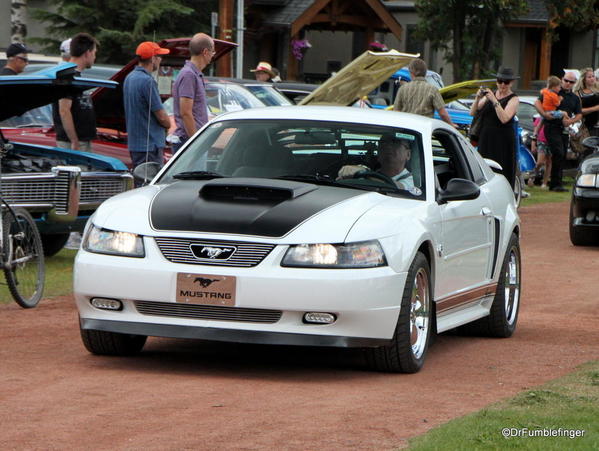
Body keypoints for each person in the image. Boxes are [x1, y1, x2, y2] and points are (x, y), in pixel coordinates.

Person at [123, 41, 171, 171]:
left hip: (135, 144)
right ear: (153, 59)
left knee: (139, 181)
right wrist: (168, 124)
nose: (160, 59)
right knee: (150, 184)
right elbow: (161, 116)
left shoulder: (129, 78)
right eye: (159, 56)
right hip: (150, 145)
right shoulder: (148, 81)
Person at [469, 66, 520, 189]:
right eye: (500, 81)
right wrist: (477, 98)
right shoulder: (490, 94)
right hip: (486, 138)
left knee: (502, 169)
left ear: (511, 83)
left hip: (503, 140)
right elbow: (473, 112)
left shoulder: (514, 99)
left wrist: (494, 100)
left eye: (506, 82)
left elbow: (504, 118)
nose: (502, 85)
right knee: (485, 169)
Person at [534, 71, 582, 191]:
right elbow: (537, 102)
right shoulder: (554, 91)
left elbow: (579, 115)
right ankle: (554, 183)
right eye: (566, 81)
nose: (568, 84)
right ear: (562, 79)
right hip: (551, 126)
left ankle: (556, 183)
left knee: (561, 154)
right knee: (558, 152)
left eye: (571, 82)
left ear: (574, 83)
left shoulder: (575, 98)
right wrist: (544, 114)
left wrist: (570, 122)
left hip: (565, 129)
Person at [52, 33, 98, 151]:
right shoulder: (66, 75)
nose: (94, 57)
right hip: (72, 143)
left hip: (82, 140)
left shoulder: (76, 75)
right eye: (94, 53)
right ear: (87, 53)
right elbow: (64, 110)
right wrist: (74, 141)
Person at [171, 32, 214, 152]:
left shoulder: (194, 74)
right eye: (212, 51)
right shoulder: (189, 75)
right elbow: (185, 112)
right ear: (205, 52)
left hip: (190, 140)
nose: (212, 55)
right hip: (188, 141)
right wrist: (195, 142)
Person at [393, 58, 455, 127]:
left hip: (407, 128)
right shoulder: (432, 89)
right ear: (425, 73)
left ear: (411, 73)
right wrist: (451, 124)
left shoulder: (402, 89)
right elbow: (442, 113)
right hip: (424, 128)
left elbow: (396, 112)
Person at [337, 134, 414, 190]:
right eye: (383, 143)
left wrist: (363, 172)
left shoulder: (412, 181)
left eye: (395, 142)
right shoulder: (368, 173)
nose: (388, 146)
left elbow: (398, 187)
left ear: (408, 154)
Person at [573, 67, 599, 137]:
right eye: (589, 77)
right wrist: (595, 108)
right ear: (584, 79)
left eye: (593, 76)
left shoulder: (597, 90)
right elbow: (578, 111)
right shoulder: (578, 93)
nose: (592, 78)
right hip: (587, 126)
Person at [529, 116, 551, 189]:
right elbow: (535, 131)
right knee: (540, 162)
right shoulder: (540, 118)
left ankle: (544, 183)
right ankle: (532, 177)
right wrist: (533, 143)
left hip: (551, 141)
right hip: (541, 141)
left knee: (549, 163)